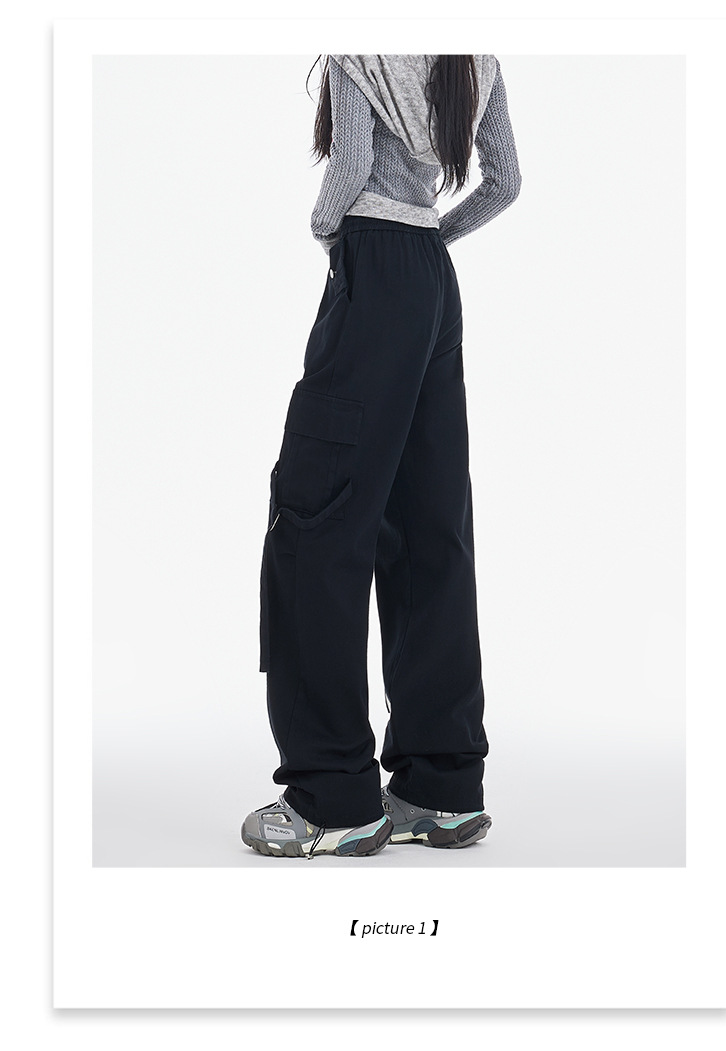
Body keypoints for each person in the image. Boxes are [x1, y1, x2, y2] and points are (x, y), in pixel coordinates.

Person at [242, 54, 521, 859]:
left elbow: (351, 167)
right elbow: (505, 180)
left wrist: (331, 231)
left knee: (315, 521)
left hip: (374, 268)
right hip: (434, 282)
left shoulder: (360, 47)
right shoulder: (476, 55)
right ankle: (440, 787)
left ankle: (330, 797)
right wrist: (432, 236)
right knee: (429, 528)